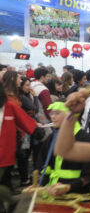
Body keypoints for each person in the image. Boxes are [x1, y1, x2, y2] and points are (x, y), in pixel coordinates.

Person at [36, 101, 90, 196]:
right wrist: (41, 187)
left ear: (70, 115)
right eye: (51, 113)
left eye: (57, 113)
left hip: (77, 193)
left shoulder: (86, 139)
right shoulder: (51, 138)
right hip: (52, 190)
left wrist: (69, 187)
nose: (53, 117)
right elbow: (42, 165)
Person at [0, 82, 42, 213]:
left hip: (5, 158)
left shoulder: (9, 107)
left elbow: (25, 121)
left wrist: (36, 130)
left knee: (6, 186)